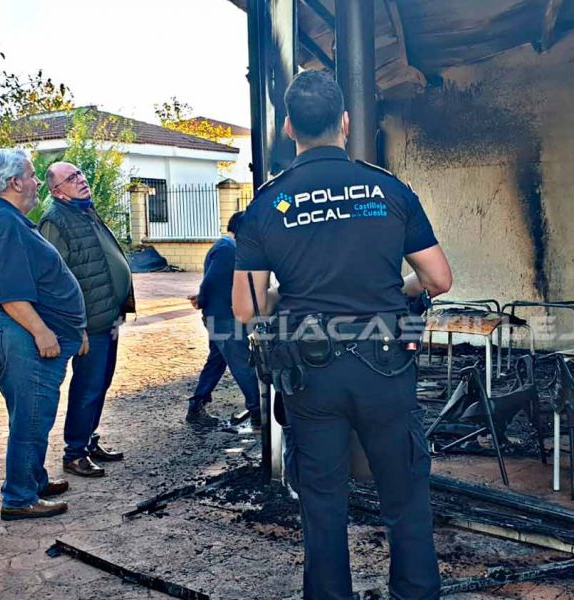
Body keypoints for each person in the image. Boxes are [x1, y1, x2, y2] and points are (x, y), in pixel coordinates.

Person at [233, 70, 452, 599]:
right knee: (405, 497)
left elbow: (246, 307)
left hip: (311, 374)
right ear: (346, 123)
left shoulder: (266, 204)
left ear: (289, 127)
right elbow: (438, 279)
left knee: (323, 504)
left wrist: (293, 294)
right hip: (386, 366)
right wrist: (390, 289)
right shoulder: (390, 190)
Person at [0, 149, 87, 520]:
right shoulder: (3, 222)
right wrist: (43, 331)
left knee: (27, 410)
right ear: (15, 182)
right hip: (10, 328)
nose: (37, 184)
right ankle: (19, 497)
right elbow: (10, 292)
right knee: (32, 414)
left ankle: (33, 479)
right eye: (33, 176)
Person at [38, 162, 134, 478]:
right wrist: (74, 327)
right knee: (87, 388)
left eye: (80, 174)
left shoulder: (84, 211)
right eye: (71, 178)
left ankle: (89, 442)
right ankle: (74, 453)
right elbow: (53, 280)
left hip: (107, 317)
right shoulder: (55, 221)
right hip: (87, 325)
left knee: (101, 384)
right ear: (56, 191)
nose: (81, 180)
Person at [186, 211, 260, 429]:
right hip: (224, 318)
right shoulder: (227, 249)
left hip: (221, 316)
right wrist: (202, 298)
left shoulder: (226, 247)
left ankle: (197, 405)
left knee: (216, 361)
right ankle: (258, 411)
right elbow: (212, 281)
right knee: (242, 364)